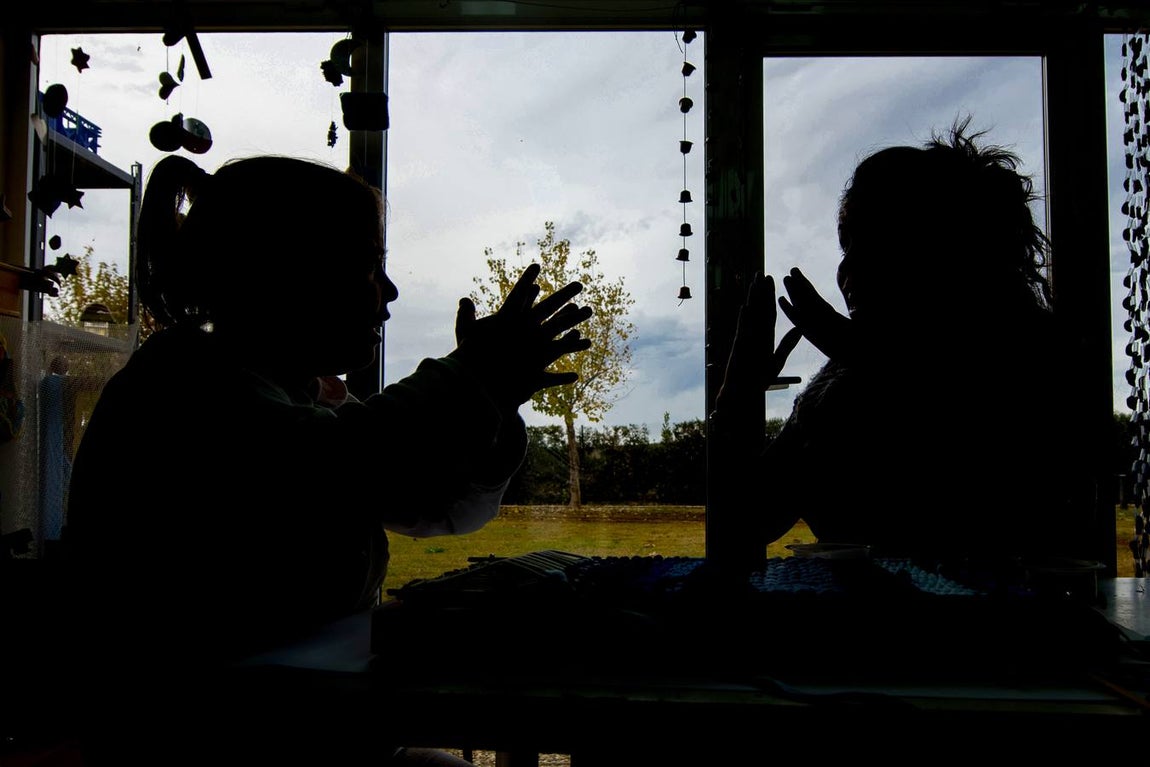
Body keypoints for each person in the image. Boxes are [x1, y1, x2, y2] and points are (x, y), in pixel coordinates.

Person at [63, 154, 593, 766]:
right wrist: (476, 382)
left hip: (307, 732)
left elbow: (431, 506)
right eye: (369, 266)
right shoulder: (181, 387)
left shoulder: (287, 394)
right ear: (286, 272)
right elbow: (340, 466)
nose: (388, 292)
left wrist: (494, 402)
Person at [714, 117, 1094, 568]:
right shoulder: (836, 386)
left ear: (948, 247)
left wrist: (870, 359)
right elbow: (747, 517)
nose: (847, 270)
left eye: (876, 241)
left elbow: (1009, 499)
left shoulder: (1035, 357)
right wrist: (738, 390)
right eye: (846, 246)